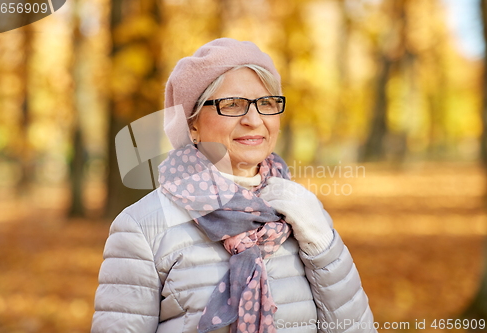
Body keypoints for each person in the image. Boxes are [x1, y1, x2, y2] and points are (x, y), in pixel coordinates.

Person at [91, 38, 377, 333]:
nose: (254, 120)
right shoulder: (141, 228)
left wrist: (324, 248)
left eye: (266, 103)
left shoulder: (300, 210)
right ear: (192, 125)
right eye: (232, 104)